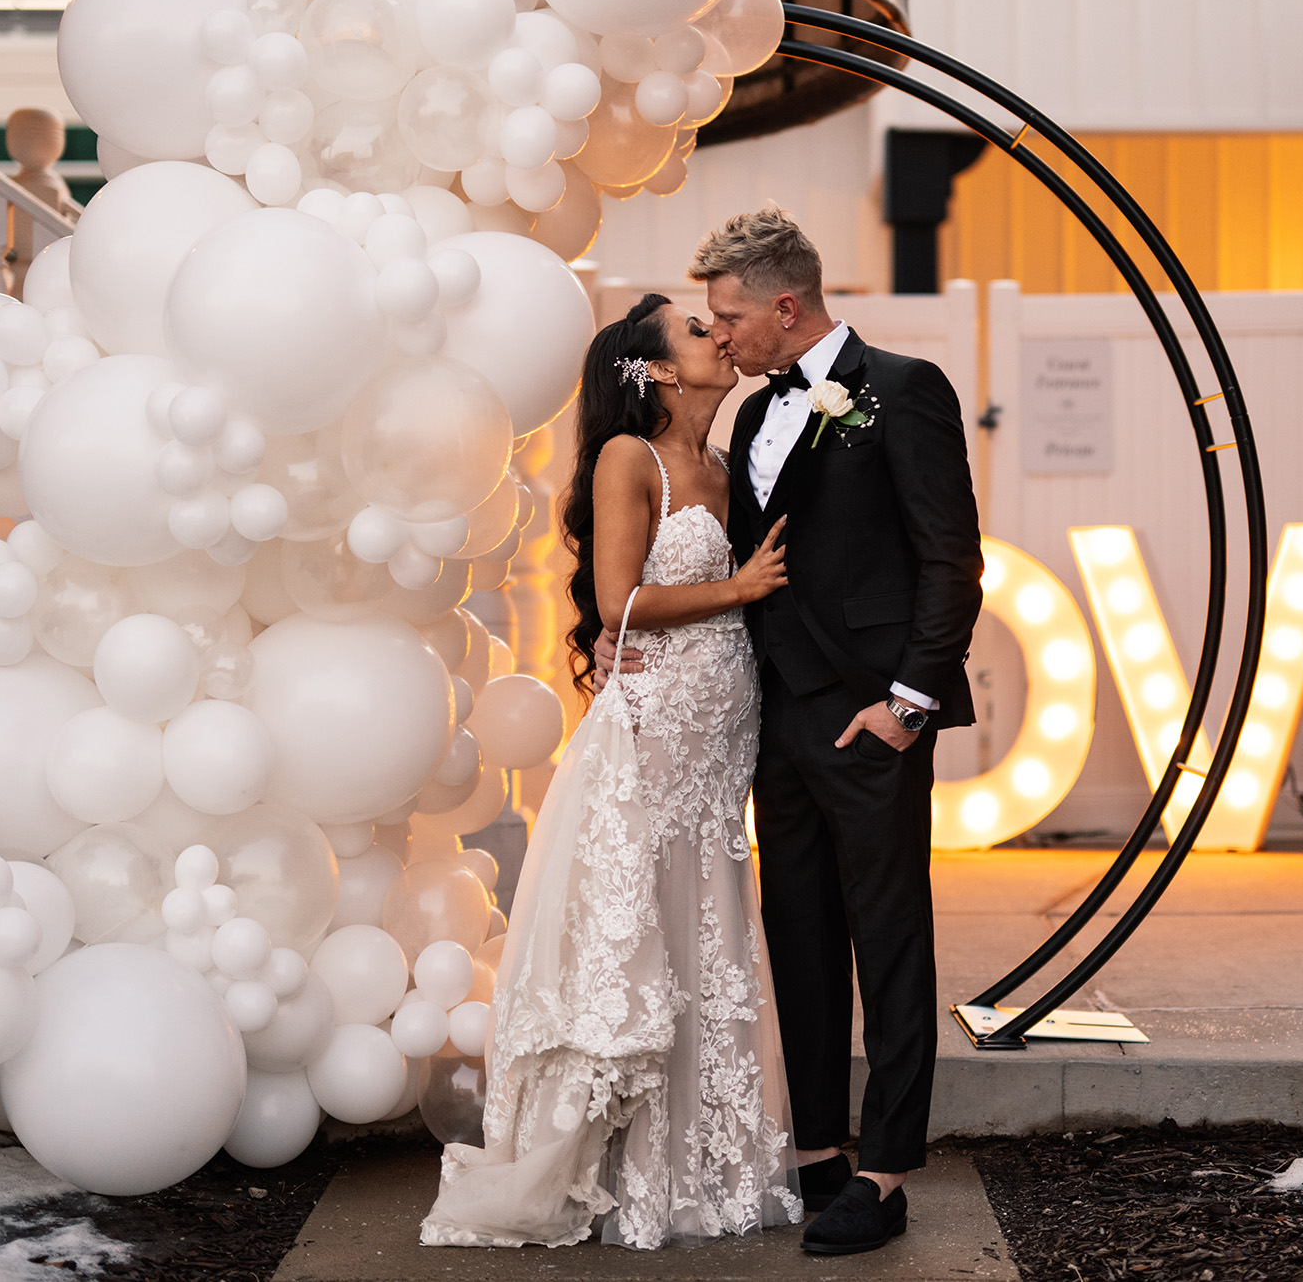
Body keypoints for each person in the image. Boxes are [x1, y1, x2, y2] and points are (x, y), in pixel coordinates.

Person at [612, 207, 984, 1255]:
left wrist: (909, 703)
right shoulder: (745, 419)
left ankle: (886, 1167)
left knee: (889, 936)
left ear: (788, 306)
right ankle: (820, 1147)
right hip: (772, 717)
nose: (719, 336)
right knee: (801, 935)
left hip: (869, 718)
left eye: (731, 317)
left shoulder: (904, 390)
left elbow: (950, 560)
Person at [422, 292, 802, 1250]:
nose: (719, 333)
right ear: (660, 370)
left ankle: (702, 1166)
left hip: (721, 741)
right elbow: (620, 602)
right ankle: (620, 1169)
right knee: (637, 923)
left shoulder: (723, 463)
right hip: (654, 729)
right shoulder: (628, 459)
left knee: (706, 918)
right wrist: (742, 586)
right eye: (694, 328)